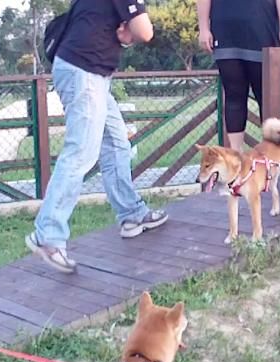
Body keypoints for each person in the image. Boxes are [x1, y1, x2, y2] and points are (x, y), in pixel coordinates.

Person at [25, 0, 167, 274]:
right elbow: (145, 31)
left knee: (115, 142)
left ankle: (131, 215)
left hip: (90, 72)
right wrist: (131, 33)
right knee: (81, 153)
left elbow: (123, 30)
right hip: (84, 72)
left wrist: (126, 36)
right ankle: (48, 235)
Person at [196, 0, 280, 152]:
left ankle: (271, 157)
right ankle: (236, 156)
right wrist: (204, 28)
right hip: (225, 29)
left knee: (266, 98)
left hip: (263, 27)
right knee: (233, 95)